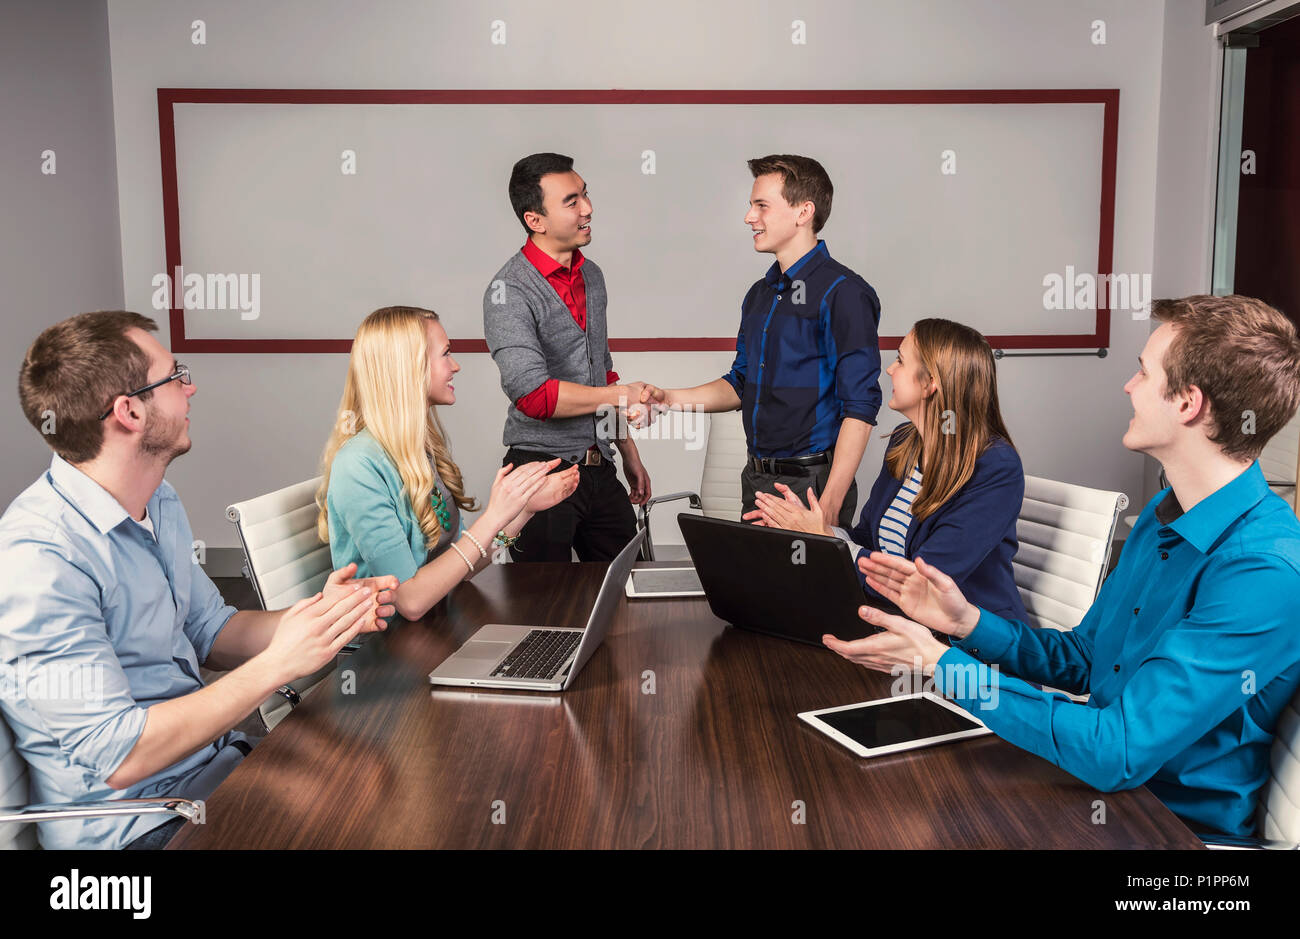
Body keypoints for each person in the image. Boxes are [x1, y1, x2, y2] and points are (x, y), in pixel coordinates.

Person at [827, 295, 1300, 838]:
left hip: (1164, 827)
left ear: (1188, 403)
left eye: (1143, 372)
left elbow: (1116, 749)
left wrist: (943, 664)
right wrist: (966, 624)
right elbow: (1084, 659)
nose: (1129, 385)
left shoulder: (1262, 572)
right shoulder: (1163, 518)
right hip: (1090, 788)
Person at [0, 311, 397, 850]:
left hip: (211, 771)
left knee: (382, 788)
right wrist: (282, 661)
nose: (191, 387)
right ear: (131, 411)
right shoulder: (40, 557)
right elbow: (120, 756)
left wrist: (320, 619)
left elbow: (211, 631)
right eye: (174, 376)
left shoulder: (155, 498)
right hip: (136, 828)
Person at [640, 154, 882, 528]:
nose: (749, 217)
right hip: (755, 479)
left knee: (805, 587)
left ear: (804, 212)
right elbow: (741, 384)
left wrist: (830, 502)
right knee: (753, 587)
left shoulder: (844, 293)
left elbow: (860, 407)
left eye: (761, 206)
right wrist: (668, 399)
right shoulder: (760, 295)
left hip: (811, 487)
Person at [747, 319, 1028, 623]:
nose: (890, 369)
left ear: (930, 383)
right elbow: (867, 538)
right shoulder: (905, 441)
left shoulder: (995, 467)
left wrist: (824, 539)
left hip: (967, 643)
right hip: (899, 620)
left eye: (900, 361)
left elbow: (924, 584)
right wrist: (809, 528)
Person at [318, 306, 579, 620]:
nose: (455, 366)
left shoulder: (420, 451)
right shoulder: (359, 466)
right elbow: (411, 601)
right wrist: (493, 516)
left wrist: (522, 510)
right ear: (408, 367)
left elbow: (461, 566)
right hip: (384, 650)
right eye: (445, 354)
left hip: (438, 623)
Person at [482, 152, 654, 562]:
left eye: (585, 195)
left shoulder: (592, 276)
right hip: (538, 474)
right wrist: (619, 397)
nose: (588, 209)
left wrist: (627, 450)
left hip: (598, 468)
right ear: (535, 220)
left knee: (628, 591)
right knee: (541, 607)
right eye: (571, 201)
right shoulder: (508, 291)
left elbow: (602, 373)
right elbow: (534, 396)